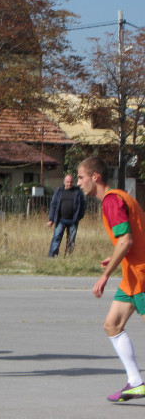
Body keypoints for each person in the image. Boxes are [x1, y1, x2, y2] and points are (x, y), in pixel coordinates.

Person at [76, 156, 145, 402]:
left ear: (95, 177)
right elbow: (129, 239)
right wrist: (115, 256)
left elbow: (126, 240)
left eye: (81, 177)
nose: (78, 182)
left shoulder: (111, 201)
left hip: (141, 276)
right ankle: (136, 382)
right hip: (132, 276)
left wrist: (105, 275)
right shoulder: (118, 197)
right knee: (112, 325)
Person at [47, 173, 86, 257]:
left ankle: (68, 256)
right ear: (64, 182)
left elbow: (83, 205)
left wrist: (79, 216)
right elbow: (53, 205)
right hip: (60, 220)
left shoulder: (78, 192)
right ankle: (52, 256)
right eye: (68, 182)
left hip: (73, 220)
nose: (69, 183)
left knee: (71, 240)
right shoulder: (58, 192)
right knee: (56, 238)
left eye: (71, 182)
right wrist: (51, 219)